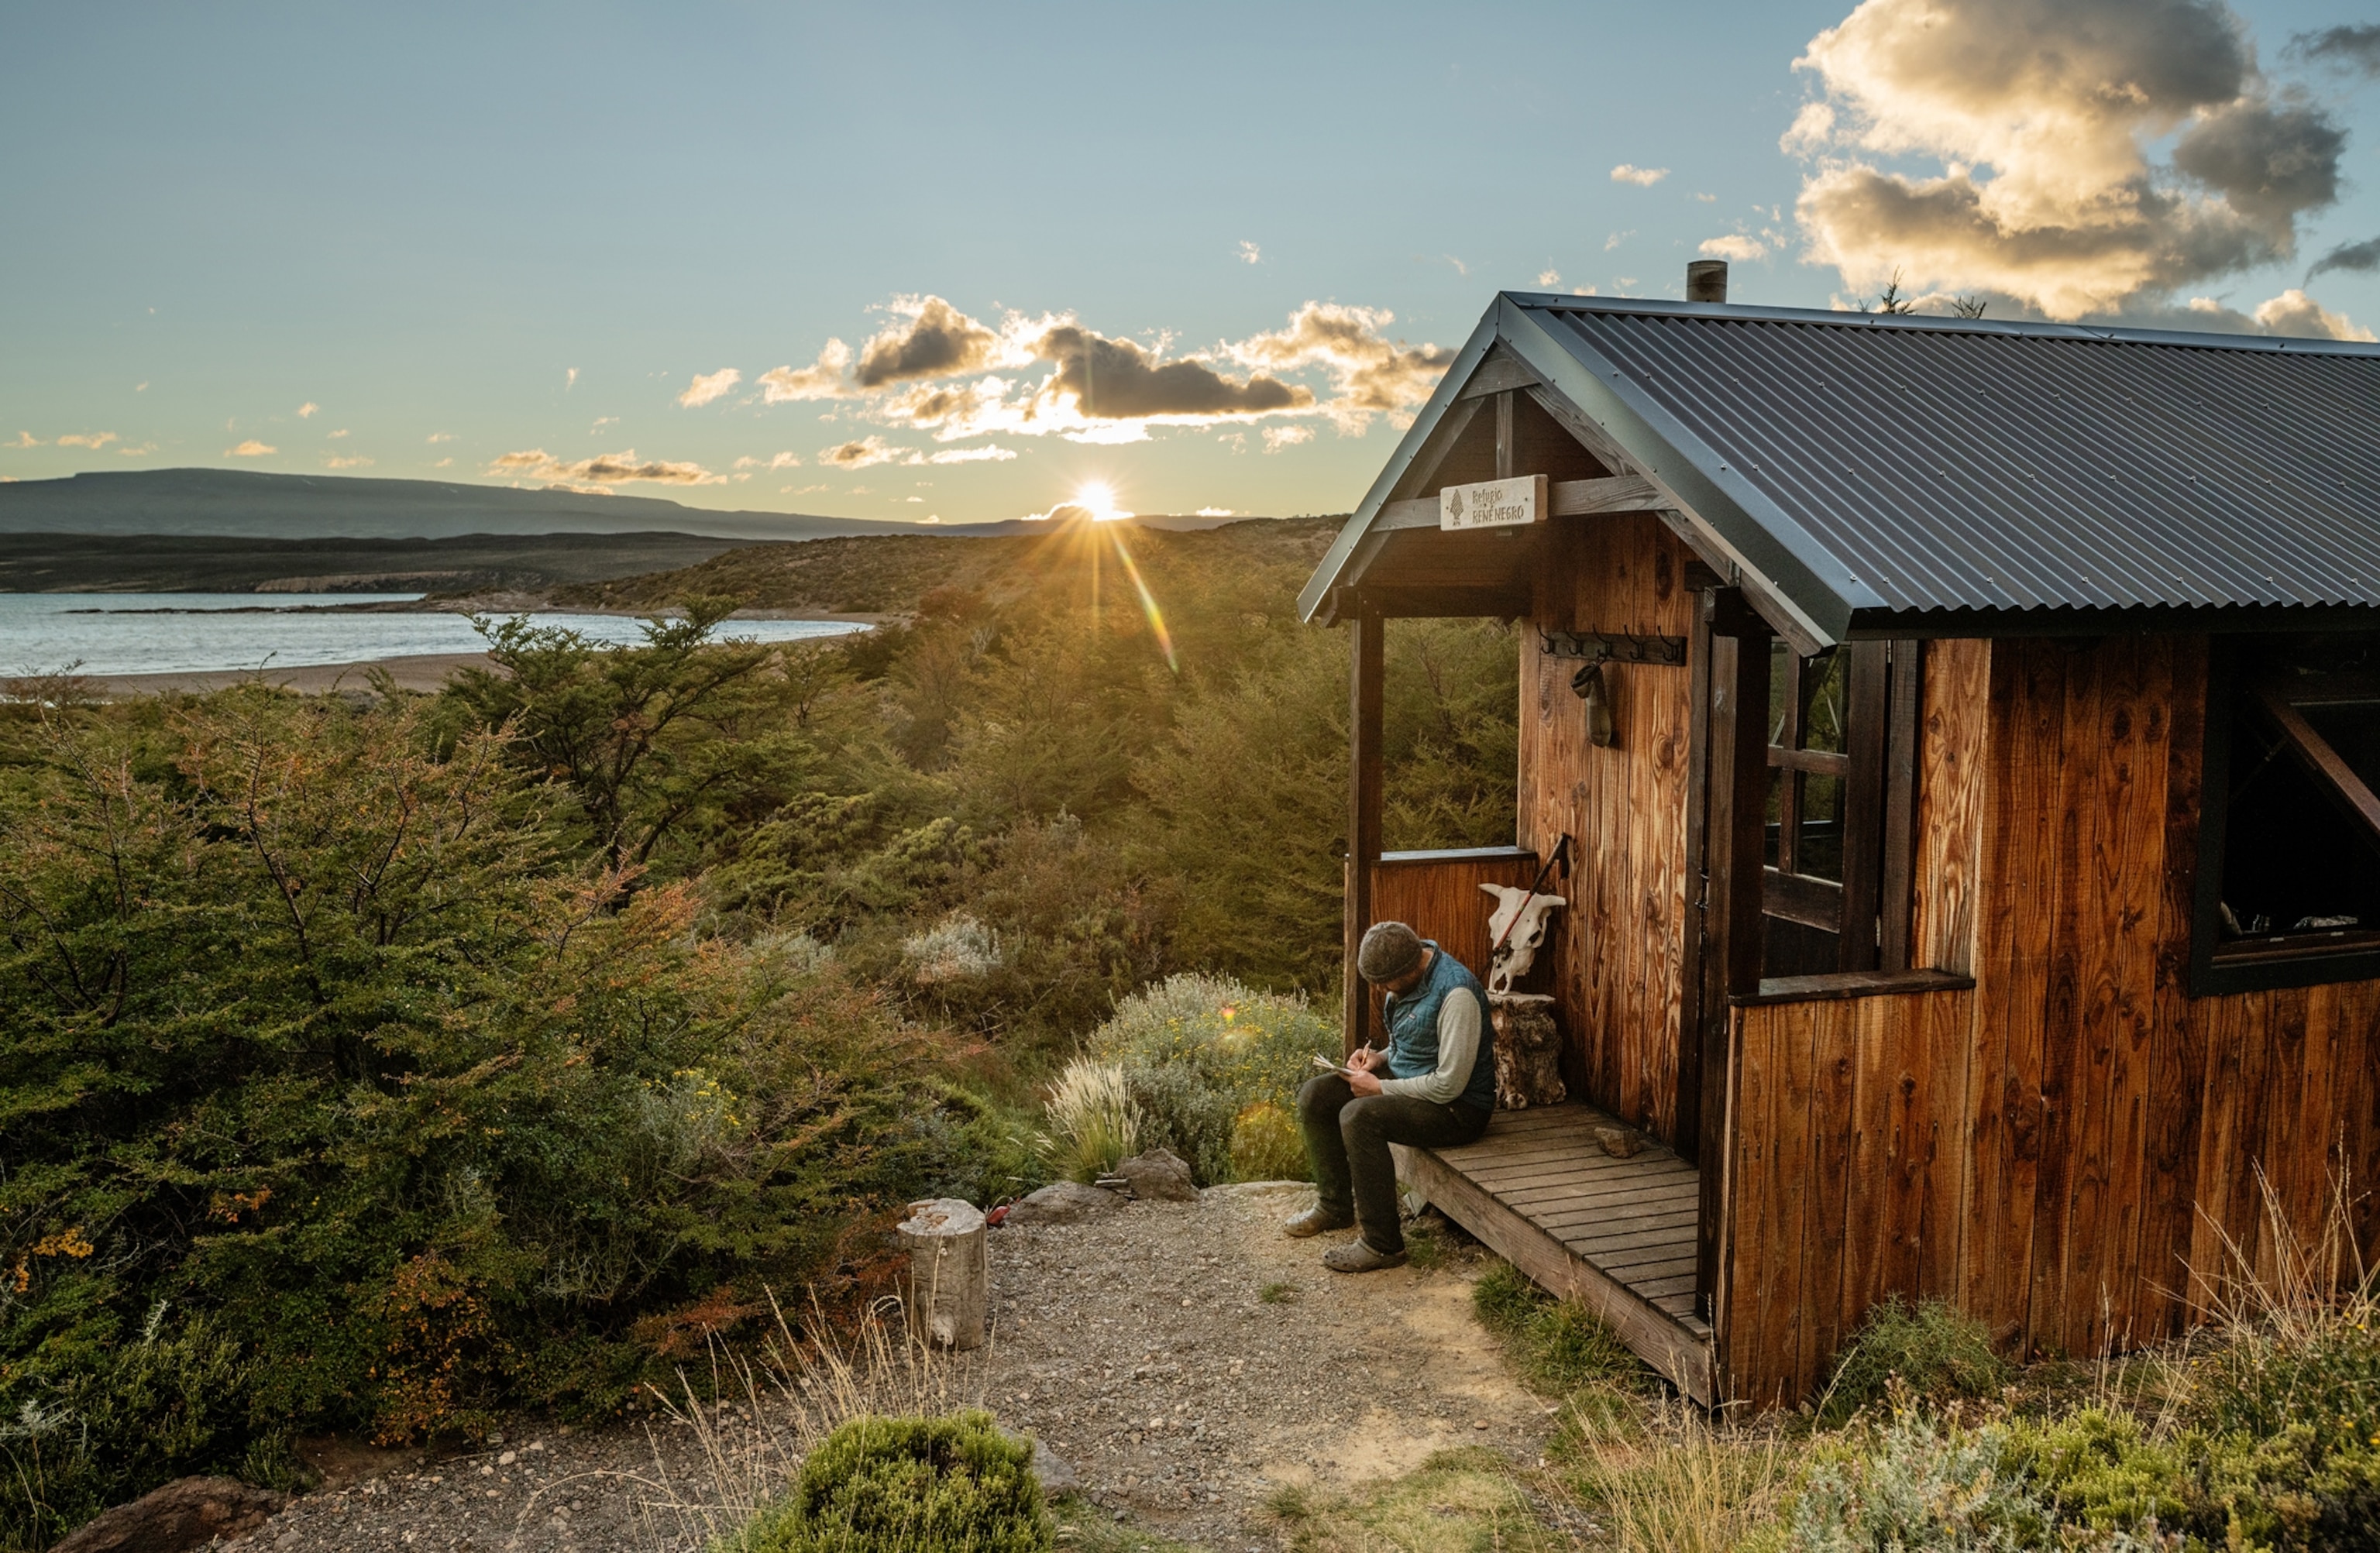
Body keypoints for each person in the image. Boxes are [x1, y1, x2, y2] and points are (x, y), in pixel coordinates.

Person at [1284, 921, 1495, 1272]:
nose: (1382, 988)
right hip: (1413, 1085)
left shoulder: (1458, 995)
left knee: (1360, 1117)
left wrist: (1379, 1087)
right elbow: (1408, 1042)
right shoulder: (1404, 978)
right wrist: (1378, 1059)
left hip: (1458, 1111)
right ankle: (1334, 1207)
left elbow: (1450, 1084)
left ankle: (1383, 1245)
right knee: (1316, 1094)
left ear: (1411, 966)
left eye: (1386, 982)